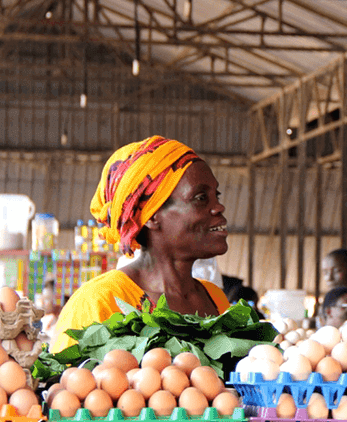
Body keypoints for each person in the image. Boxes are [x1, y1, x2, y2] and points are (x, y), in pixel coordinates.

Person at [51, 136, 231, 352]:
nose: (219, 207)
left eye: (216, 195)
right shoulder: (100, 302)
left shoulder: (215, 298)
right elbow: (67, 383)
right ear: (152, 216)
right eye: (201, 197)